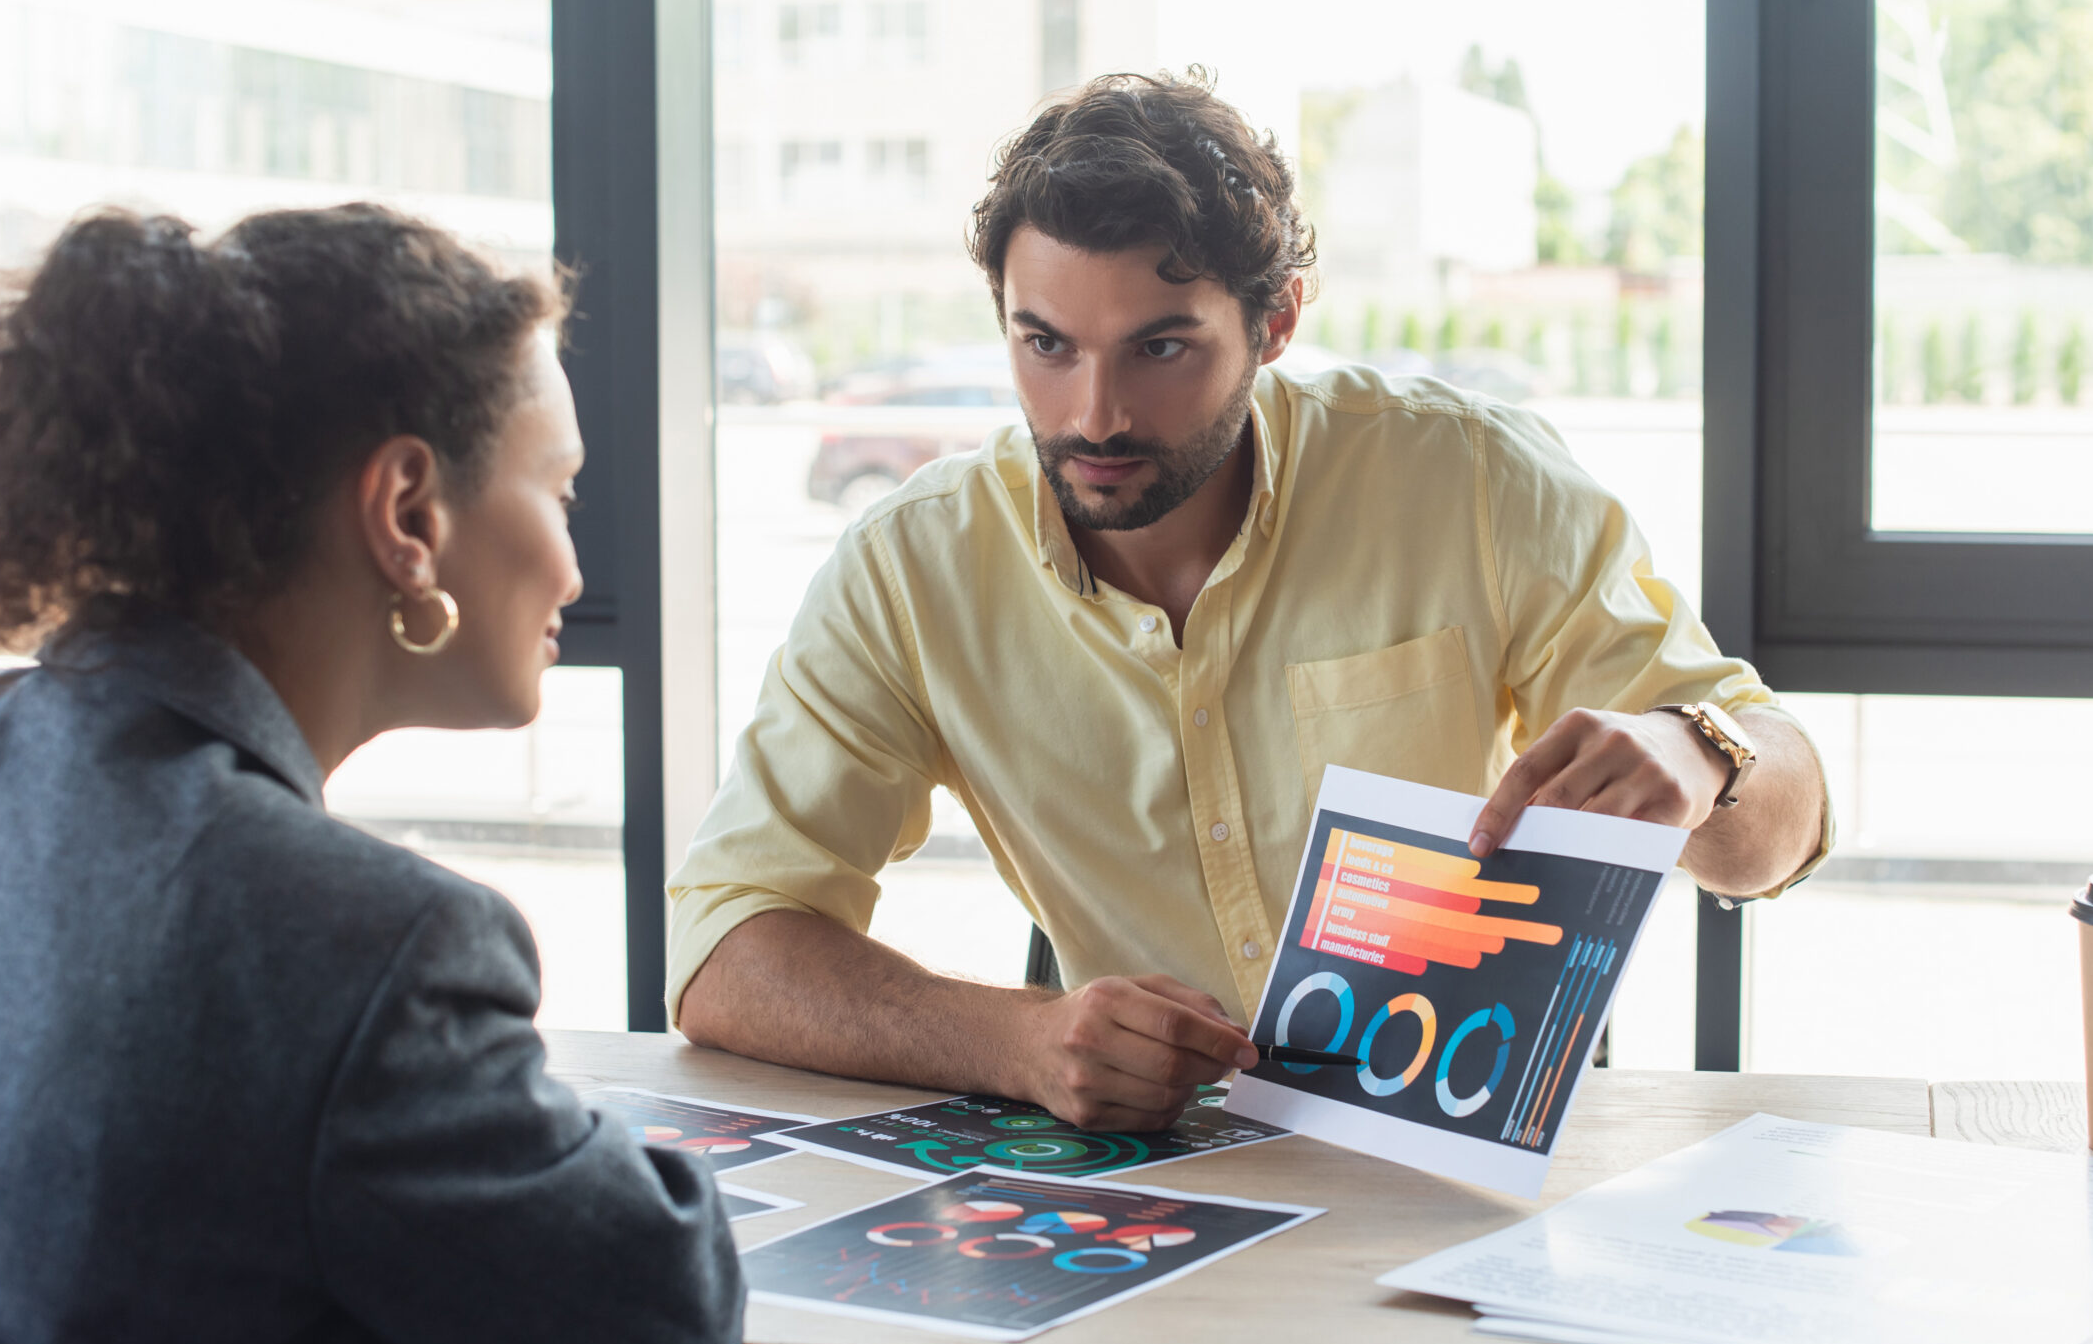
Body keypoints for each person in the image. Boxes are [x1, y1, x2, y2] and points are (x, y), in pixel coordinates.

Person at [670, 69, 1831, 1133]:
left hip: (1447, 1154)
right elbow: (722, 947)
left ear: (1273, 324)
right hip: (1147, 1179)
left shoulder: (1470, 482)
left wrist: (1701, 752)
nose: (1094, 414)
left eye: (1160, 348)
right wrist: (1019, 1038)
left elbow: (1774, 836)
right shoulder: (910, 567)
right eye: (1046, 343)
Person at [0, 206, 743, 1344]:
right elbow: (658, 1305)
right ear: (407, 509)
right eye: (561, 487)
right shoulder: (364, 940)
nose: (574, 564)